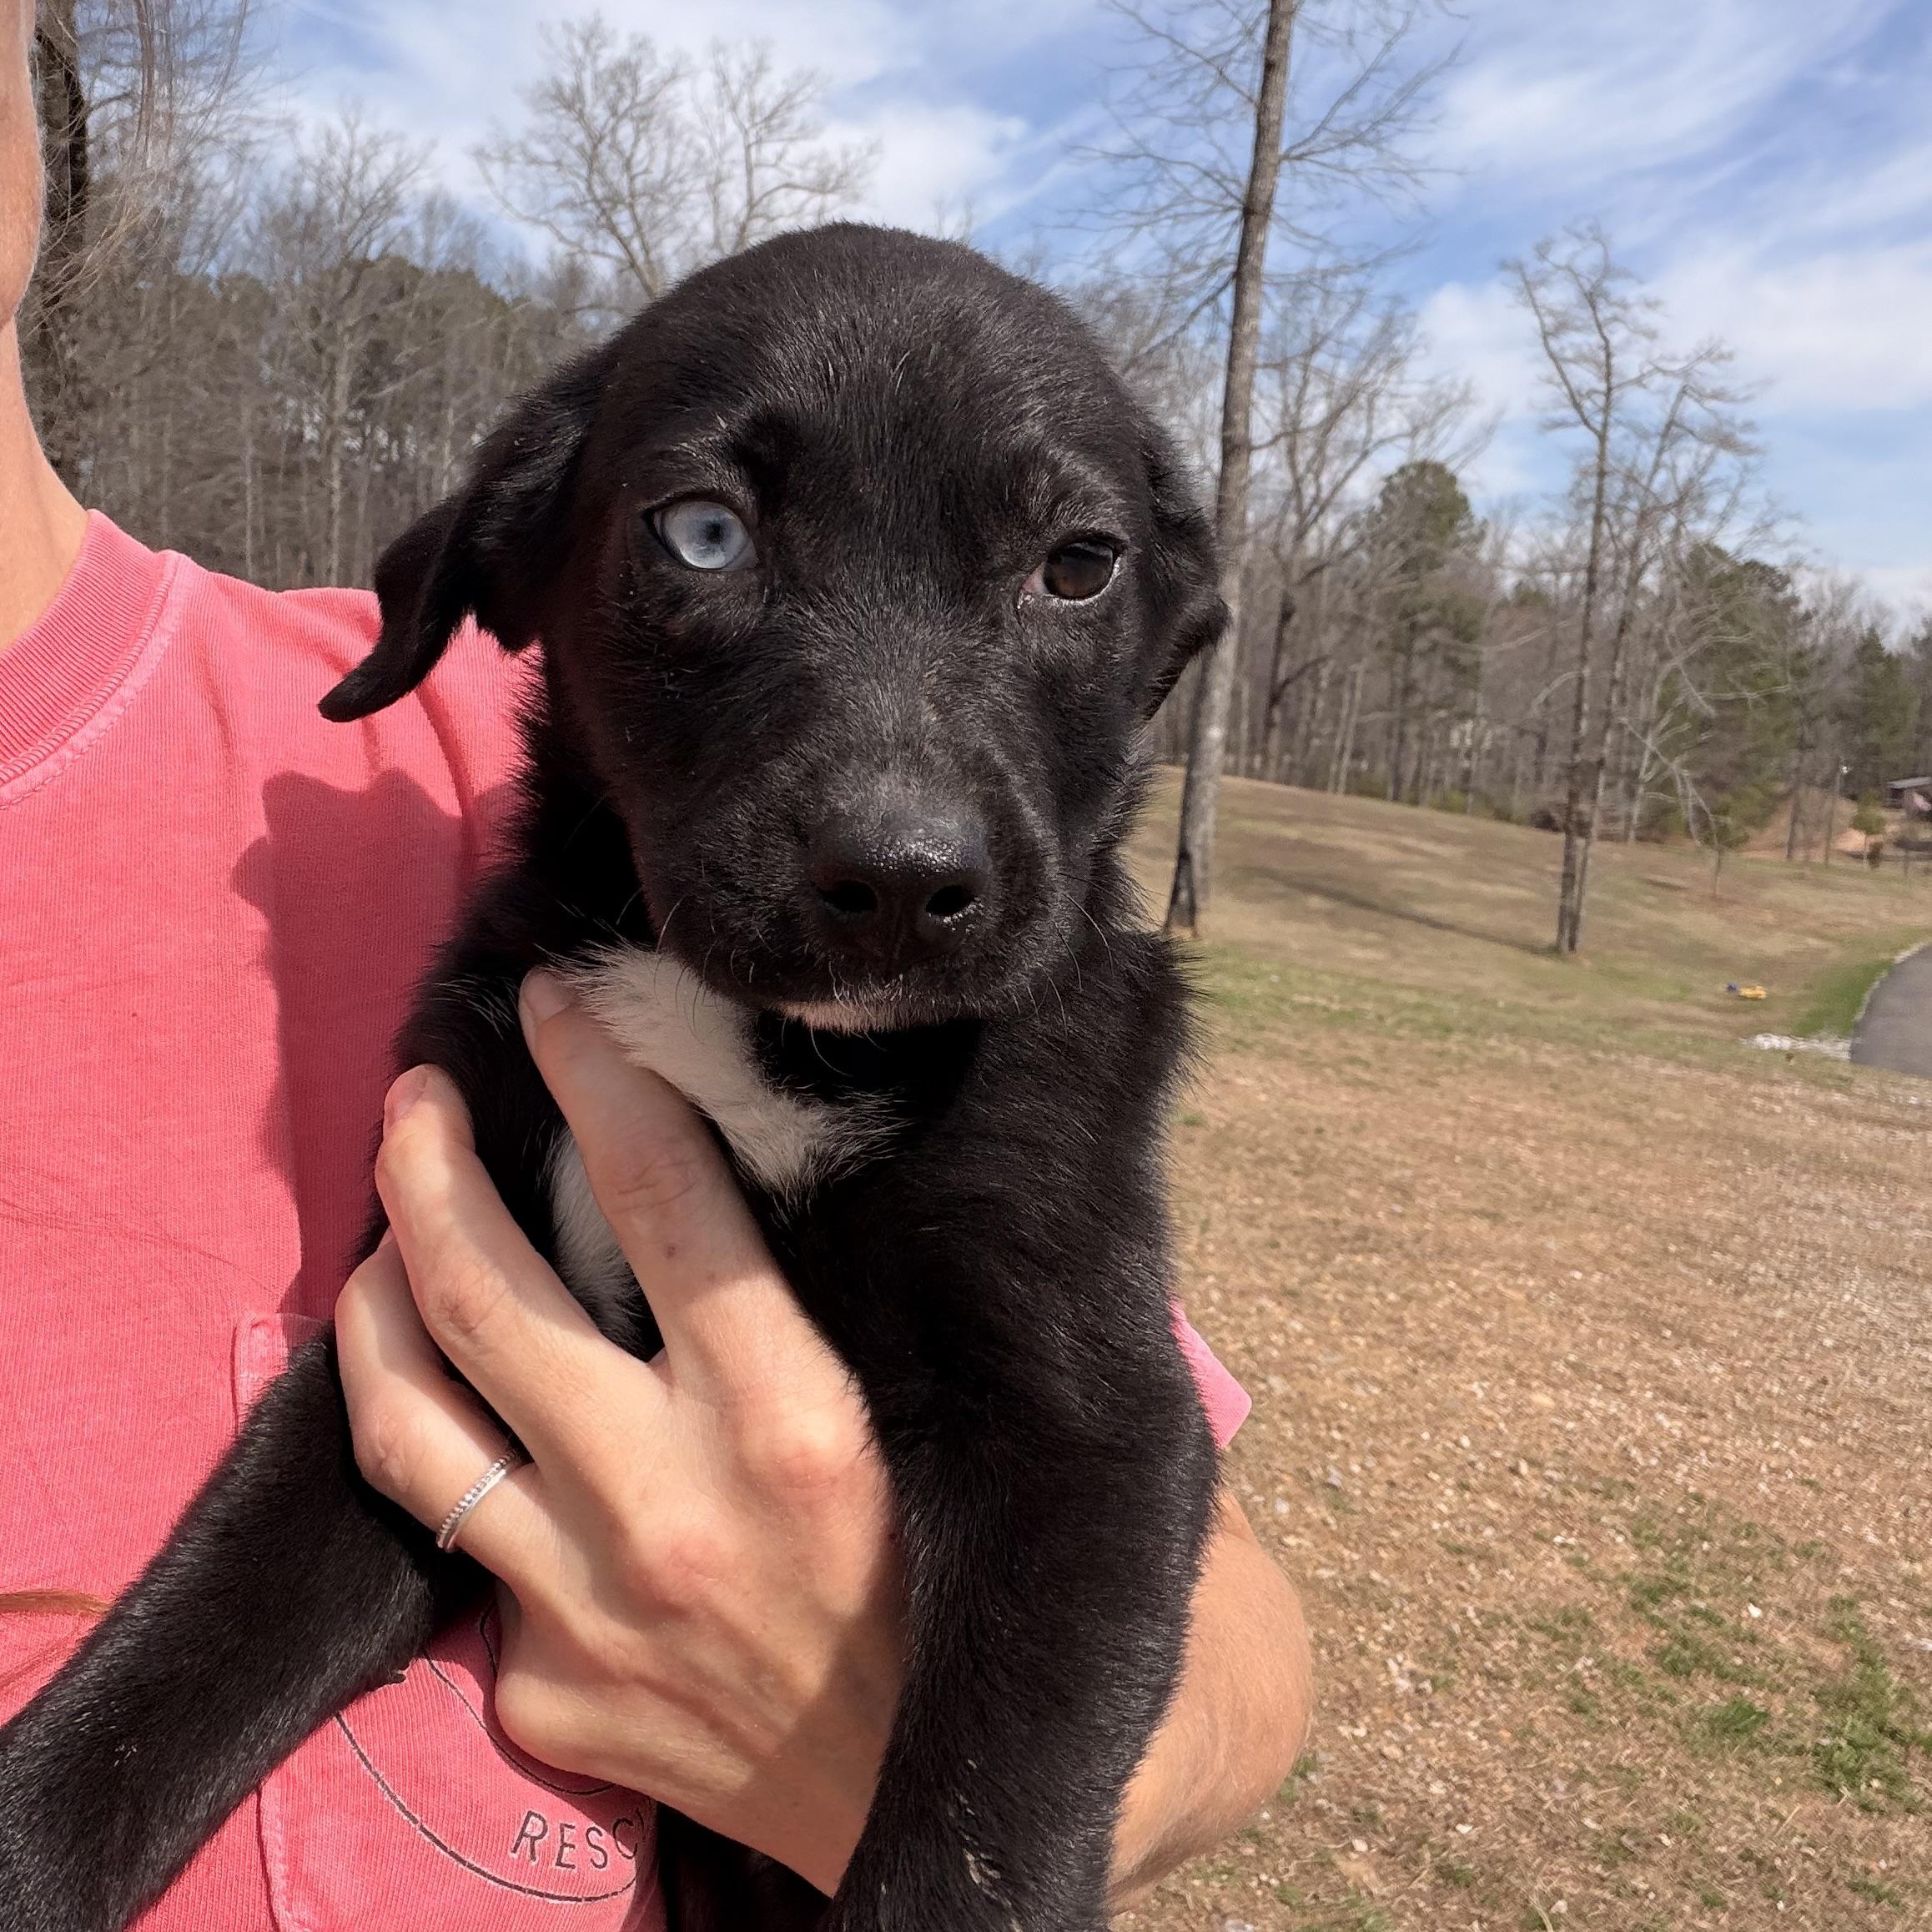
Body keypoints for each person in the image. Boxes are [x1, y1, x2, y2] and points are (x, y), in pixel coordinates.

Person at [0, 3, 1311, 1924]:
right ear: (518, 576)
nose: (900, 822)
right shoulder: (525, 945)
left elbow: (1110, 1486)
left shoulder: (1022, 1053)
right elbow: (391, 1461)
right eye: (710, 535)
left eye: (1064, 569)